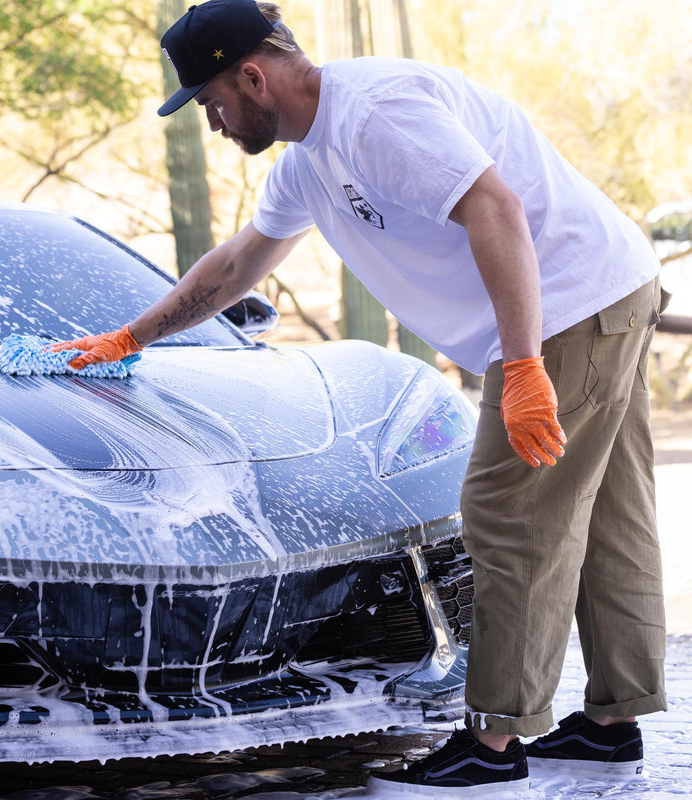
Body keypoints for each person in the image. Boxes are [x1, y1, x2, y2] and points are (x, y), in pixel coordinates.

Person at [53, 1, 668, 795]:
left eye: (211, 101)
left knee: (509, 515)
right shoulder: (310, 161)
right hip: (609, 287)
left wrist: (521, 366)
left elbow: (496, 208)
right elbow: (239, 263)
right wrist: (129, 338)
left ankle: (495, 740)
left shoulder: (377, 112)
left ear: (252, 76)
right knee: (614, 511)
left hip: (571, 303)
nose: (212, 122)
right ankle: (614, 725)